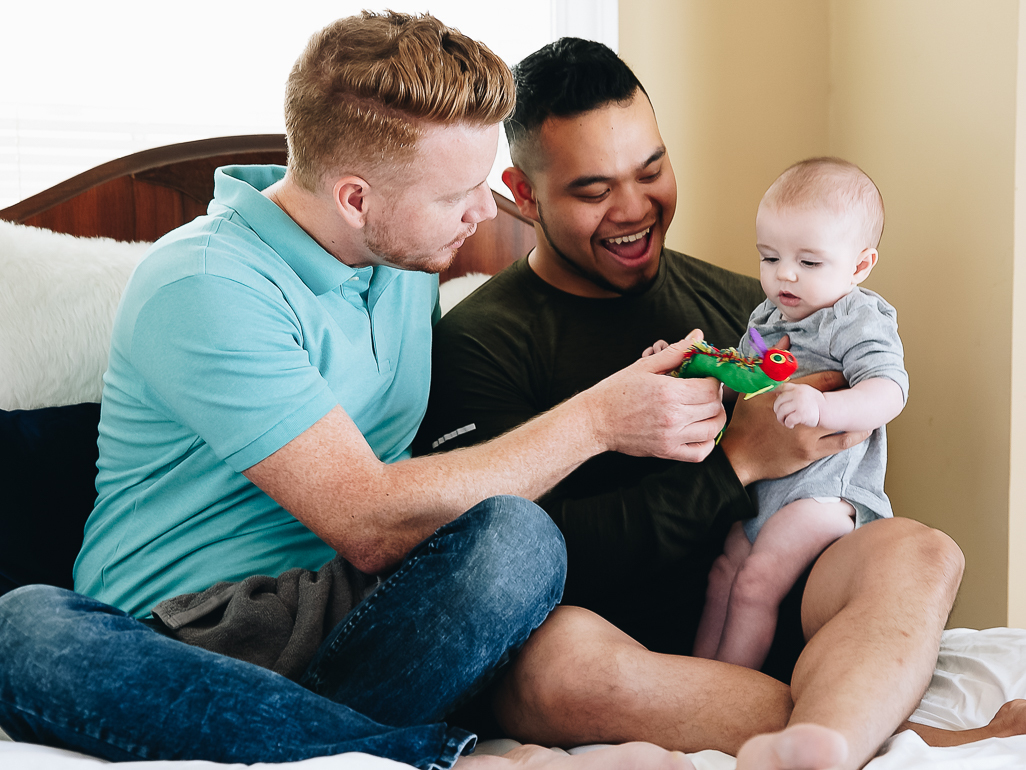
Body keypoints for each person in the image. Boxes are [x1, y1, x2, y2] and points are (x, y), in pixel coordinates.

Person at [0, 13, 715, 770]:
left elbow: (424, 520)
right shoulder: (204, 282)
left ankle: (336, 745)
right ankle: (440, 757)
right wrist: (600, 419)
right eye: (458, 195)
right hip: (186, 644)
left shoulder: (404, 265)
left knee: (519, 540)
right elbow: (368, 520)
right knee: (26, 632)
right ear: (353, 199)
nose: (486, 213)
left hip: (354, 632)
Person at [418, 37, 1024, 769]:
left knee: (921, 551)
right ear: (522, 193)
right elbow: (496, 566)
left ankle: (827, 739)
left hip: (766, 596)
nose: (635, 208)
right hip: (607, 630)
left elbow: (835, 457)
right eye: (593, 189)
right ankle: (883, 734)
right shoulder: (481, 342)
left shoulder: (752, 306)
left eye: (652, 170)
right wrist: (736, 461)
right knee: (557, 667)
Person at [691, 157, 907, 670]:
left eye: (809, 263)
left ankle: (729, 687)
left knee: (757, 582)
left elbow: (890, 391)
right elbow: (746, 383)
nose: (783, 274)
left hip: (826, 495)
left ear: (859, 265)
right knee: (724, 573)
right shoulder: (768, 316)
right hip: (767, 488)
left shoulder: (855, 317)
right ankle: (693, 679)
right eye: (769, 257)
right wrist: (696, 368)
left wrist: (823, 405)